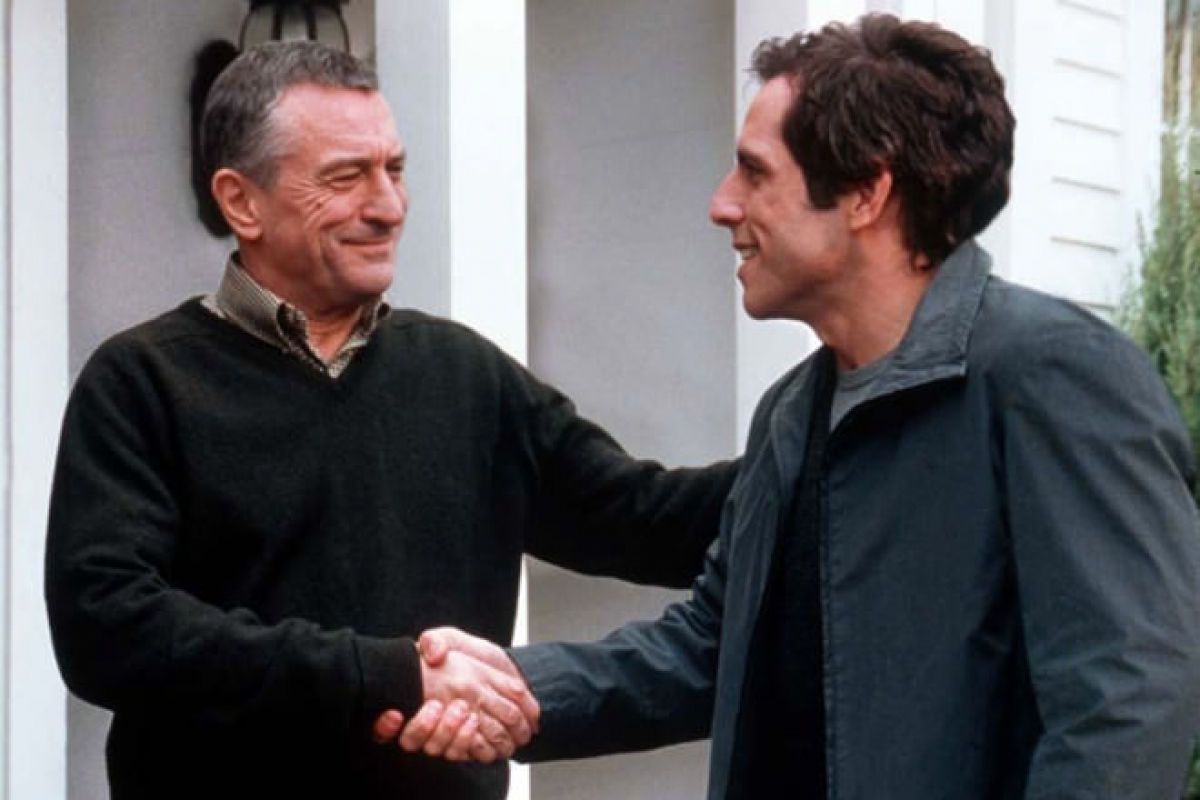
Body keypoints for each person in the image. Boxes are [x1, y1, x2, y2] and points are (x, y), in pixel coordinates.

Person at [396, 14, 1200, 799]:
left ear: (865, 192)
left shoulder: (1054, 377)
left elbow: (1125, 706)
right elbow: (712, 648)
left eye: (755, 172)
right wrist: (507, 685)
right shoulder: (793, 411)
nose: (722, 204)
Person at [43, 41, 735, 800]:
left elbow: (648, 519)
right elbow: (107, 630)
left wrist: (821, 416)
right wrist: (387, 676)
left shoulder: (465, 375)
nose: (388, 207)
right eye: (346, 178)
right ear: (241, 202)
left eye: (395, 171)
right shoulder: (143, 383)